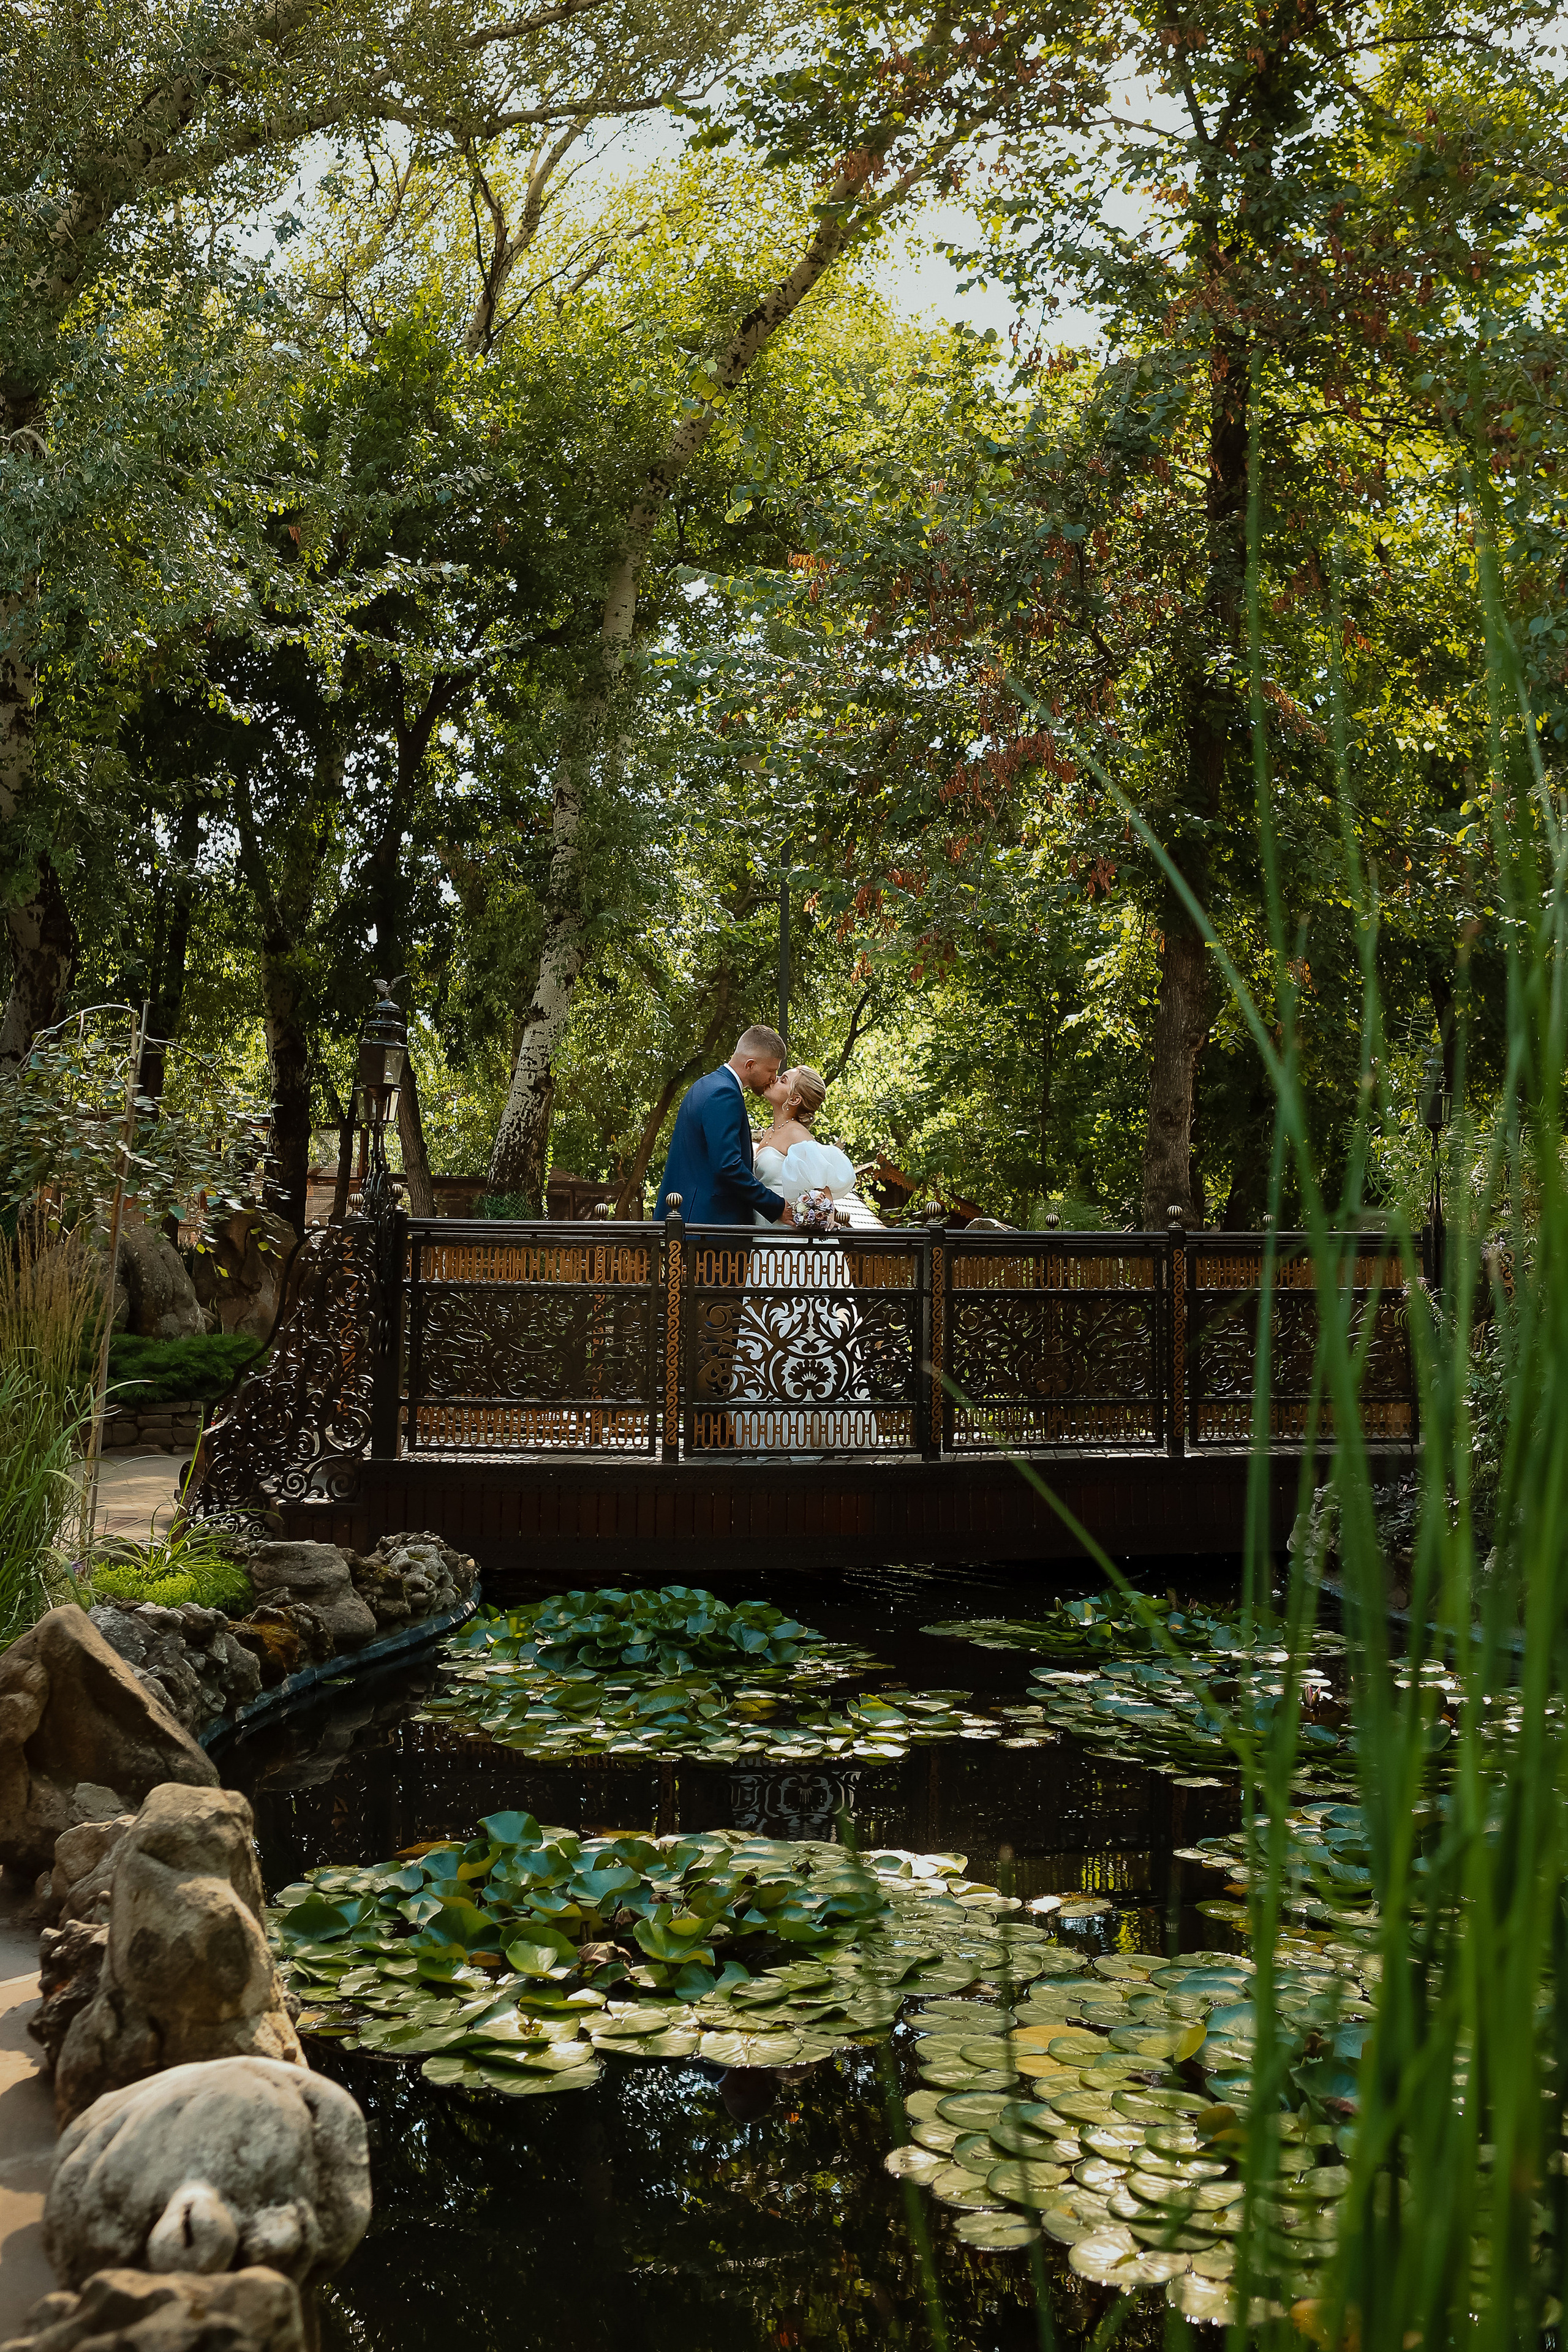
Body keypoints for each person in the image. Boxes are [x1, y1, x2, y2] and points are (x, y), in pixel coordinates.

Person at [654, 1025, 797, 1227]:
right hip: (709, 1227)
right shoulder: (724, 1094)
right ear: (750, 1065)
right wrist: (776, 1206)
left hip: (690, 1218)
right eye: (771, 1070)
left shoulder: (706, 1085)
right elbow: (728, 1166)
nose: (773, 1078)